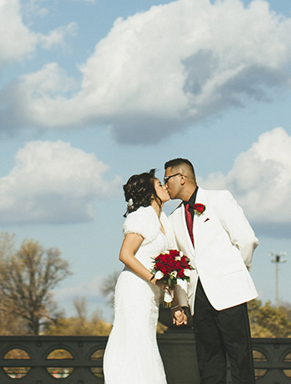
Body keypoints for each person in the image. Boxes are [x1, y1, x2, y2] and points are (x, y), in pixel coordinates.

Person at [163, 157, 259, 384]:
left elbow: (246, 239)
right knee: (208, 362)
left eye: (167, 179)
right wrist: (181, 302)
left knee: (240, 358)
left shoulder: (219, 198)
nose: (165, 184)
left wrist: (236, 271)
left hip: (230, 291)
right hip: (199, 298)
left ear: (182, 178)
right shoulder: (174, 218)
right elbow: (180, 265)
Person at [102, 169, 175, 384]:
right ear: (151, 193)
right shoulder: (142, 217)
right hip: (135, 288)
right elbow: (125, 254)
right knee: (135, 340)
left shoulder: (163, 219)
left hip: (150, 292)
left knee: (144, 341)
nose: (165, 187)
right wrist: (157, 280)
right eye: (159, 185)